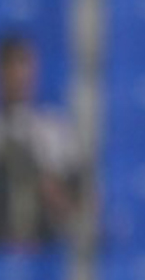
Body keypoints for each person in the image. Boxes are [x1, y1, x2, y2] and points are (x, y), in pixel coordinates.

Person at [0, 31, 84, 246]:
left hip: (47, 245)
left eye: (25, 64)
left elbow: (81, 201)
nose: (20, 74)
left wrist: (46, 186)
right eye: (11, 65)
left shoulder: (56, 129)